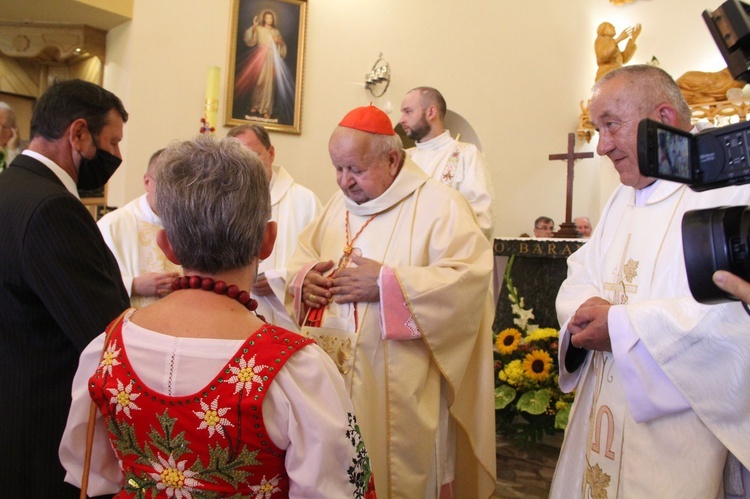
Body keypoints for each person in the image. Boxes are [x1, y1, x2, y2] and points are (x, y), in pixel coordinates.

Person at [60, 135, 376, 497]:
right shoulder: (298, 368)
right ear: (268, 241)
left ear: (168, 247)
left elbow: (89, 471)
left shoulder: (107, 347)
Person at [550, 65, 750, 498]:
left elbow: (736, 316)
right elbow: (580, 274)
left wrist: (621, 328)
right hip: (601, 413)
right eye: (596, 128)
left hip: (679, 438)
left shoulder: (729, 194)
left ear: (665, 118)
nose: (601, 146)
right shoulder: (622, 197)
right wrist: (586, 317)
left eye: (610, 125)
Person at [286, 105, 496, 497]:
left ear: (393, 159)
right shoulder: (336, 206)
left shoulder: (440, 205)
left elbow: (468, 280)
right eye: (338, 168)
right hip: (328, 385)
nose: (344, 182)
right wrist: (303, 280)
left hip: (397, 393)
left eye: (356, 170)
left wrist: (387, 284)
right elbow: (301, 256)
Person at [0, 79, 131, 498]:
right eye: (112, 142)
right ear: (77, 133)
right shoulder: (53, 207)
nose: (117, 156)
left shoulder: (9, 188)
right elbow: (101, 331)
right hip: (40, 427)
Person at [228, 124, 321, 331]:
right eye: (237, 160)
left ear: (271, 153)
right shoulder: (224, 203)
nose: (247, 167)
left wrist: (280, 281)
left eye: (253, 156)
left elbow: (323, 264)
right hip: (234, 320)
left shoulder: (304, 201)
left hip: (290, 323)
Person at [399, 86, 495, 240]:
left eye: (408, 111)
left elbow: (482, 217)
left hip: (446, 254)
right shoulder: (404, 158)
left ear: (431, 112)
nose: (401, 119)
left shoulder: (466, 155)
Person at [97, 148, 182, 308]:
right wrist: (134, 285)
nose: (174, 194)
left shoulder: (194, 224)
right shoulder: (113, 225)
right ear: (147, 182)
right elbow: (92, 282)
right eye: (167, 185)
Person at [235, 9, 292, 123]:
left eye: (271, 18)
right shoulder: (260, 29)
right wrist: (254, 27)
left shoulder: (276, 32)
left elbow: (282, 48)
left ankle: (267, 109)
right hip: (260, 56)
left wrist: (279, 42)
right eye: (267, 18)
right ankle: (255, 105)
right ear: (264, 19)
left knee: (269, 84)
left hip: (271, 58)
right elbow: (250, 39)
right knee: (259, 81)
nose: (269, 20)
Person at [0, 101, 21, 171]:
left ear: (14, 128)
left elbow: (16, 177)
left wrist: (13, 150)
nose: (0, 131)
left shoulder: (24, 151)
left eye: (5, 126)